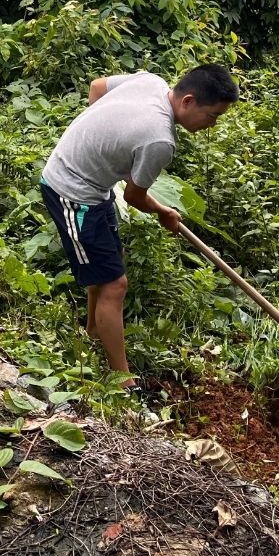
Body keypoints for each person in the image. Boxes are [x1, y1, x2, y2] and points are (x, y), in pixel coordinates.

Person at [39, 65, 239, 398]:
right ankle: (123, 382)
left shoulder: (151, 82)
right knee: (114, 285)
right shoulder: (159, 140)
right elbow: (133, 197)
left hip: (95, 187)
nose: (212, 126)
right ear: (188, 101)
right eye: (212, 116)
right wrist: (163, 211)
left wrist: (102, 142)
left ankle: (93, 331)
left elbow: (97, 86)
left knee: (112, 260)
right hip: (71, 192)